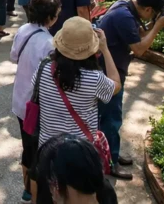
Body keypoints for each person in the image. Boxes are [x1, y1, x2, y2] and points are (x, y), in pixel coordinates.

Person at [29, 18, 120, 201]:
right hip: (79, 154)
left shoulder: (44, 68)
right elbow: (116, 85)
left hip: (48, 150)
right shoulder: (95, 79)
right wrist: (105, 49)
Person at [95, 0, 164, 179]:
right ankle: (109, 162)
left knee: (110, 116)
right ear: (147, 9)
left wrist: (153, 23)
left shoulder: (124, 6)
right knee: (111, 118)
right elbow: (139, 49)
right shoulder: (124, 16)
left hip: (109, 68)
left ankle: (110, 150)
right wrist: (157, 27)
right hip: (110, 73)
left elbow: (138, 34)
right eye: (154, 13)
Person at [10, 0, 61, 202]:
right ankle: (34, 192)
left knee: (27, 147)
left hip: (20, 101)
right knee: (39, 152)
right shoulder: (50, 44)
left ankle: (26, 188)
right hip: (38, 107)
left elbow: (14, 57)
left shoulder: (23, 30)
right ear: (50, 18)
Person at [35, 134, 118, 204]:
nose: (51, 190)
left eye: (51, 183)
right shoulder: (106, 192)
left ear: (56, 188)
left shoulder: (107, 194)